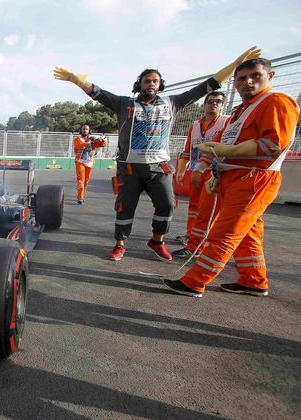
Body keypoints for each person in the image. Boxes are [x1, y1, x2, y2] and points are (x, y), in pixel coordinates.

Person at [54, 46, 262, 262]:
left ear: (160, 85)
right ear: (139, 85)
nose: (151, 83)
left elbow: (207, 85)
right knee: (125, 207)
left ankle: (157, 241)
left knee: (167, 204)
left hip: (159, 167)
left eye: (155, 81)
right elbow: (97, 92)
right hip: (129, 167)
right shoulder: (124, 103)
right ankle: (119, 244)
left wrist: (236, 64)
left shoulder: (173, 103)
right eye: (146, 81)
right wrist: (75, 80)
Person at [164, 57, 299, 298]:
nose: (248, 82)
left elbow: (273, 144)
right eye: (241, 78)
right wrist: (218, 167)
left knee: (224, 232)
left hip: (254, 178)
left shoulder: (276, 102)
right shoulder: (242, 111)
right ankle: (254, 280)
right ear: (235, 83)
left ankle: (195, 282)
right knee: (248, 234)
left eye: (255, 76)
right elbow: (226, 142)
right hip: (230, 175)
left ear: (270, 76)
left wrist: (228, 153)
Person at [172, 92, 229, 257]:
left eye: (218, 102)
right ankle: (191, 236)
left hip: (214, 172)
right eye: (210, 101)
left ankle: (200, 244)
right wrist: (181, 171)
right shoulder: (195, 126)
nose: (214, 104)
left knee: (207, 209)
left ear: (223, 105)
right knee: (193, 207)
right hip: (196, 170)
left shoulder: (227, 123)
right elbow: (187, 151)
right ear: (204, 104)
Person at [73, 124, 107, 204]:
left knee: (86, 180)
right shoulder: (77, 139)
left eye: (87, 129)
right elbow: (81, 146)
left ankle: (82, 195)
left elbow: (102, 144)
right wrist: (90, 141)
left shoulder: (92, 139)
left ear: (89, 131)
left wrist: (102, 139)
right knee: (81, 179)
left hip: (90, 162)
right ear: (81, 130)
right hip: (80, 161)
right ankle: (80, 197)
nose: (85, 130)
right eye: (83, 129)